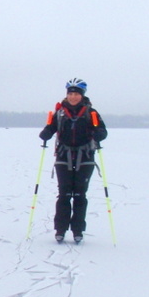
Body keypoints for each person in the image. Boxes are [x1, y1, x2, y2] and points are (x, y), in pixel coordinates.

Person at [38, 78, 107, 244]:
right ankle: (60, 230)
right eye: (70, 93)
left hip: (86, 156)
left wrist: (100, 135)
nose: (73, 97)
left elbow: (103, 130)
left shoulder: (91, 112)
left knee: (80, 194)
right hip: (63, 155)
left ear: (82, 95)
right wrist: (46, 133)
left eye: (76, 94)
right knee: (64, 194)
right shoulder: (60, 112)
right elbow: (50, 127)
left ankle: (78, 230)